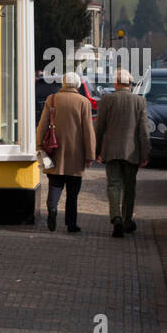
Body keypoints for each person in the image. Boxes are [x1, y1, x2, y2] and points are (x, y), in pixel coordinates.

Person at [35, 71, 96, 233]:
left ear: (63, 84)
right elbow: (88, 131)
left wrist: (39, 146)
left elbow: (42, 125)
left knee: (54, 184)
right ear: (76, 85)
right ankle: (71, 224)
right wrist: (90, 154)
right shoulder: (84, 102)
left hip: (54, 151)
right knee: (73, 192)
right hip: (77, 154)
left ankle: (52, 210)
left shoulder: (52, 99)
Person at [94, 67, 150, 237]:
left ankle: (116, 217)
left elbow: (99, 128)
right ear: (130, 84)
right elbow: (144, 131)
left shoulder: (107, 100)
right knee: (130, 187)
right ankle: (127, 220)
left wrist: (96, 150)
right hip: (132, 152)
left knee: (113, 185)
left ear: (116, 83)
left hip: (111, 150)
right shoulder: (139, 101)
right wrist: (145, 153)